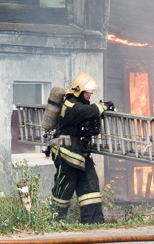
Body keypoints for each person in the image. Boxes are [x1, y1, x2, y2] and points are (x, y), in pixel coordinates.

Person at [48, 72, 112, 224]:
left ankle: (93, 222)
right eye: (87, 93)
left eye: (90, 93)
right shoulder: (70, 105)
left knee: (90, 186)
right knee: (65, 187)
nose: (89, 95)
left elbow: (86, 119)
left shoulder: (80, 105)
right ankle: (55, 221)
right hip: (65, 154)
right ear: (78, 91)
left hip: (79, 154)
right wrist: (104, 106)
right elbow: (86, 112)